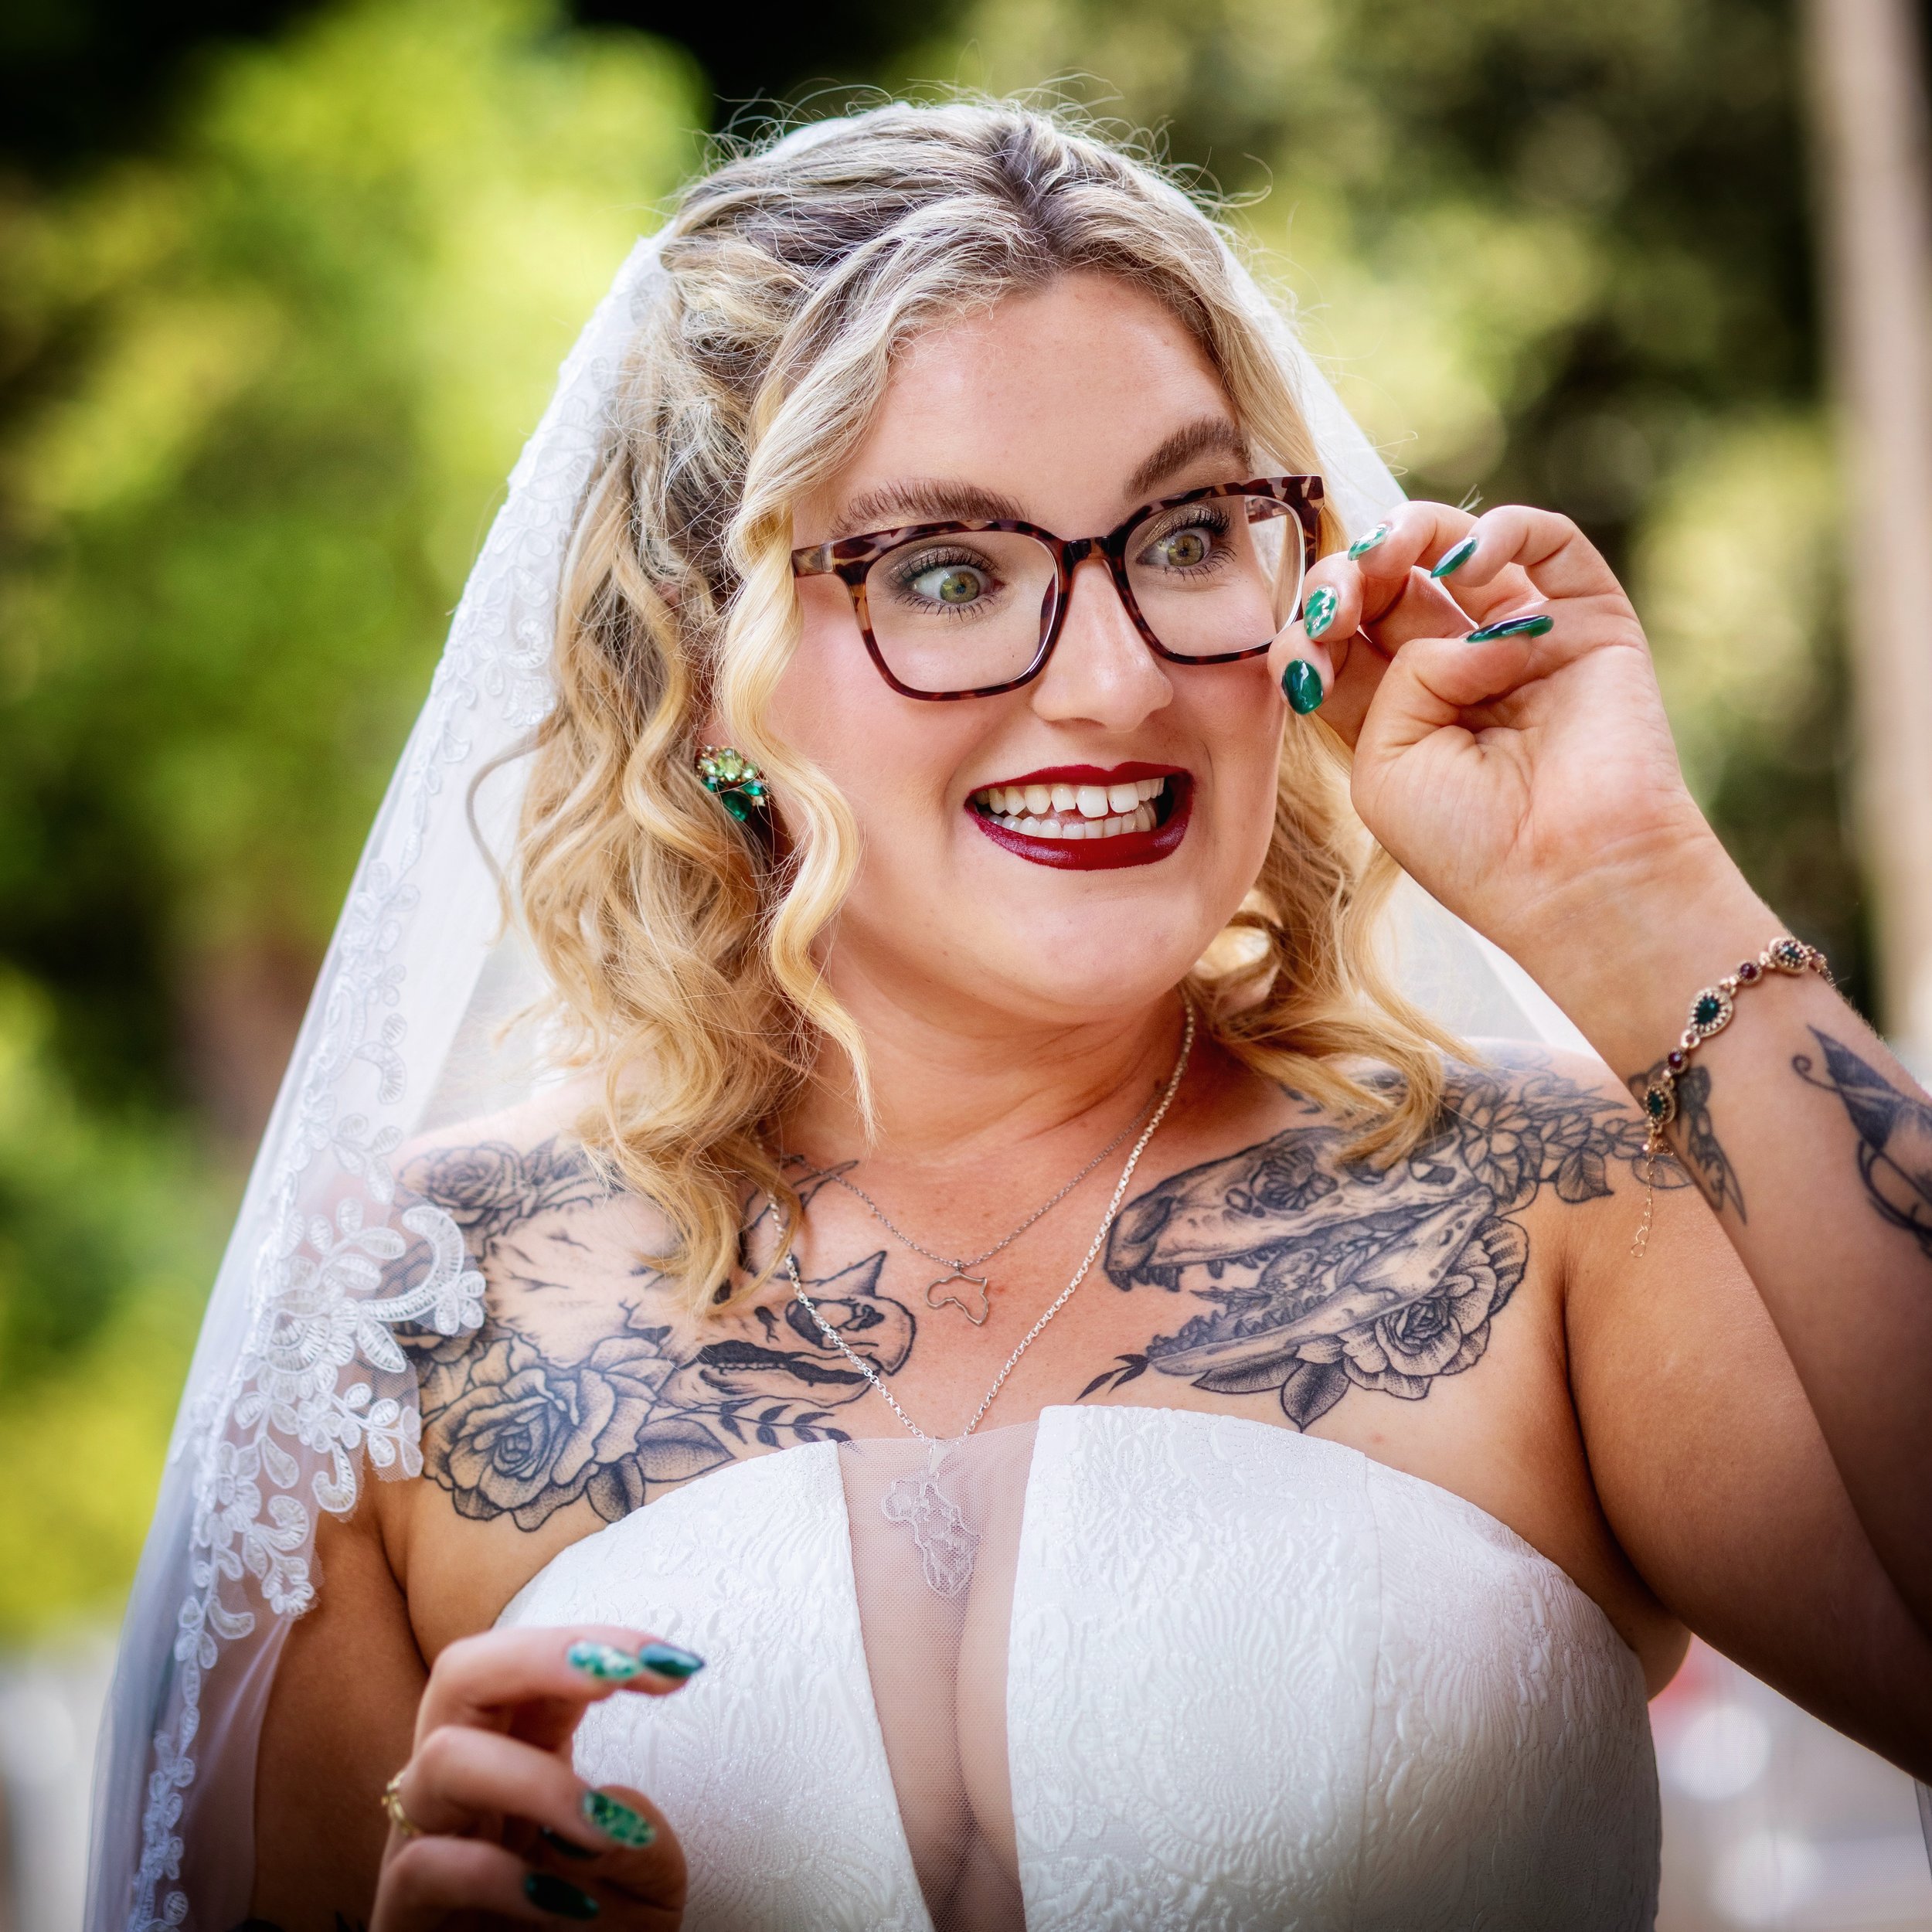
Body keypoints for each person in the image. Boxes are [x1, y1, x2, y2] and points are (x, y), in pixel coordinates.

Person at [89, 102, 1932, 1932]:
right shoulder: (398, 1316)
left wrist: (1625, 888)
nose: (1117, 677)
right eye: (946, 574)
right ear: (699, 670)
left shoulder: (1548, 1205)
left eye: (1190, 530)